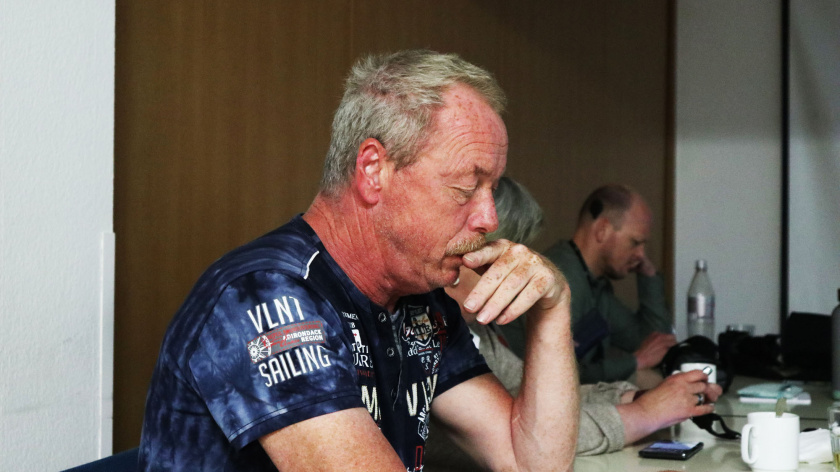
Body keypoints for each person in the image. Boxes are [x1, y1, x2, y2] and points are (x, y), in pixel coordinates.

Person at [138, 50, 578, 472]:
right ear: (373, 170)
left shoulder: (419, 301)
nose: (489, 219)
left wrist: (553, 308)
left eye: (492, 190)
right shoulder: (263, 295)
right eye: (465, 187)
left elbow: (534, 462)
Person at [424, 177, 721, 469]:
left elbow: (533, 397)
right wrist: (645, 411)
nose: (522, 266)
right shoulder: (430, 331)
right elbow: (535, 433)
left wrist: (638, 397)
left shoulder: (473, 330)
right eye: (510, 254)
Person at [500, 184, 676, 384]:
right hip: (527, 392)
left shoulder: (595, 284)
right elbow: (556, 376)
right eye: (635, 243)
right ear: (602, 230)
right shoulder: (559, 278)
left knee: (656, 380)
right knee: (649, 381)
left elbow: (655, 342)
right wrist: (634, 362)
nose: (641, 254)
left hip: (566, 391)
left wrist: (648, 276)